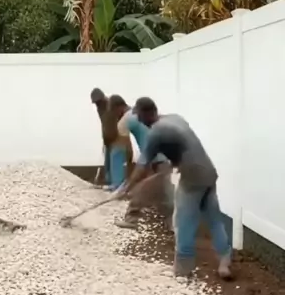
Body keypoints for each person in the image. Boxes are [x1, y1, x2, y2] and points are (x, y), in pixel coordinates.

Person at [118, 97, 232, 280]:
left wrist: (126, 188)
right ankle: (225, 260)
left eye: (139, 116)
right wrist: (176, 162)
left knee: (183, 221)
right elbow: (184, 146)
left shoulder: (156, 132)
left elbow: (142, 166)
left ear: (147, 113)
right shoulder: (175, 118)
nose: (138, 119)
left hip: (193, 178)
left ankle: (183, 269)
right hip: (209, 173)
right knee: (214, 219)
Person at [115, 103, 174, 231]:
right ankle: (171, 223)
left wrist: (127, 187)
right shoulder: (154, 122)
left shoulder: (129, 120)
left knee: (141, 190)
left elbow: (135, 158)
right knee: (164, 193)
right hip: (163, 161)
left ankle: (131, 219)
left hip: (162, 162)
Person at [90, 88, 110, 186]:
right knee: (106, 158)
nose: (97, 104)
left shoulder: (111, 105)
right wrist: (104, 136)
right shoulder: (99, 108)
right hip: (107, 136)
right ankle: (105, 180)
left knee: (112, 159)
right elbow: (104, 123)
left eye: (98, 102)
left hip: (115, 137)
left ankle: (110, 182)